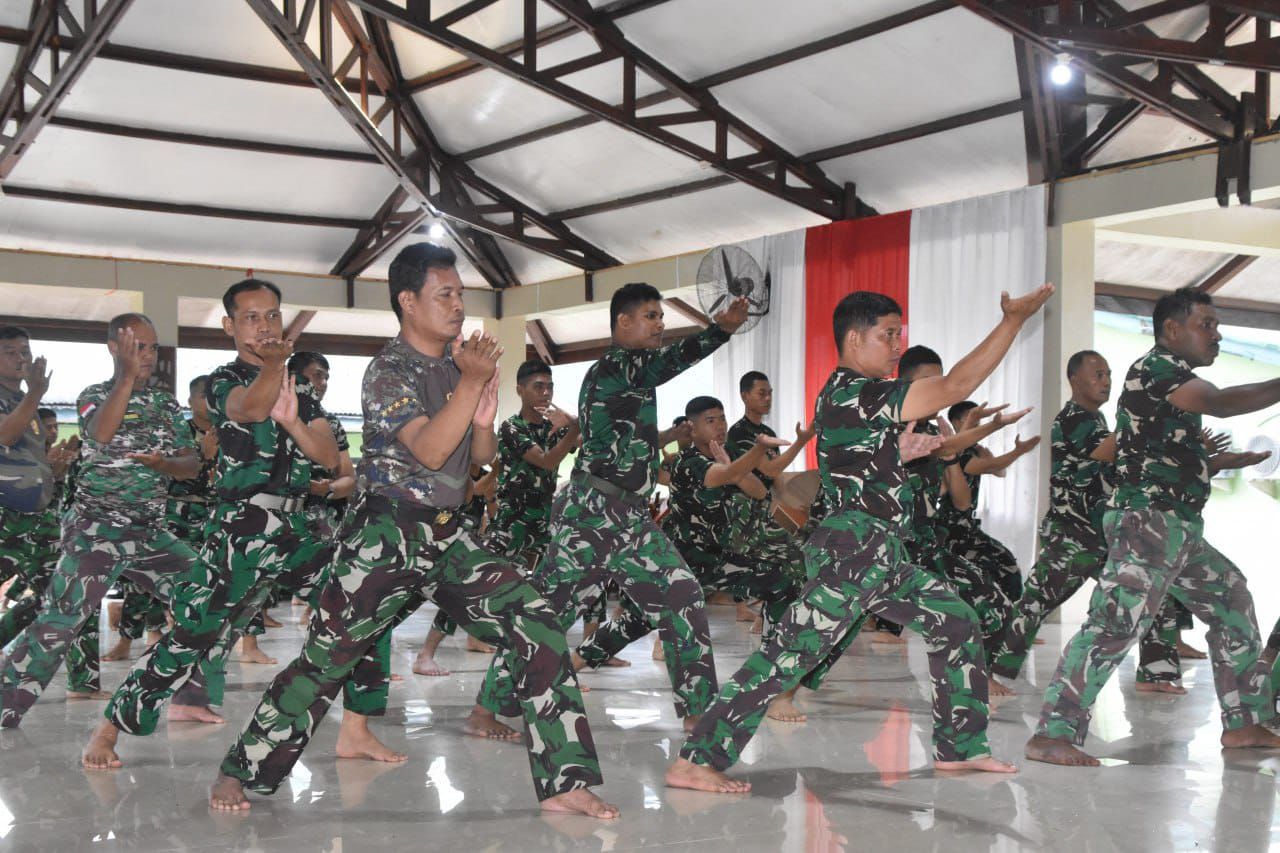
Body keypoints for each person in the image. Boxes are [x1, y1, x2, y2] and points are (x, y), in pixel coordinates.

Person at [209, 243, 617, 819]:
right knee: (326, 661)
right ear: (408, 301)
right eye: (444, 294)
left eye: (460, 294)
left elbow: (478, 458)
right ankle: (240, 771)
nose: (457, 305)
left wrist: (479, 413)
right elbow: (427, 450)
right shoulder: (388, 371)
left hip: (451, 535)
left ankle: (566, 779)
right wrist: (470, 386)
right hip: (387, 535)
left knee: (538, 623)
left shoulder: (457, 367)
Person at [666, 283, 1053, 793]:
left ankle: (960, 748)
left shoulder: (861, 401)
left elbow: (863, 462)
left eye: (899, 335)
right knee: (787, 656)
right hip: (852, 552)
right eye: (887, 335)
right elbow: (955, 385)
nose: (897, 345)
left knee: (956, 623)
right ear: (854, 339)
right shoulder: (855, 391)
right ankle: (695, 759)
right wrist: (1013, 321)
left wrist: (905, 454)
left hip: (882, 552)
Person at [81, 280, 352, 766]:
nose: (264, 326)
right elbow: (248, 409)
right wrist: (273, 367)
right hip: (242, 527)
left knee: (357, 602)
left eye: (271, 316)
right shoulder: (223, 379)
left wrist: (293, 418)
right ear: (230, 326)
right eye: (251, 318)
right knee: (194, 632)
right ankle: (109, 728)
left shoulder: (300, 385)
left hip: (297, 526)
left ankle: (357, 729)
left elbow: (329, 455)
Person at [466, 284, 750, 740]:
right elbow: (671, 361)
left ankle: (697, 713)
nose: (660, 324)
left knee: (682, 595)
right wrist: (721, 330)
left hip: (629, 516)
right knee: (549, 615)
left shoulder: (631, 378)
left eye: (661, 316)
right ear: (623, 322)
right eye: (651, 316)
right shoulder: (620, 366)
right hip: (592, 514)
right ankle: (487, 709)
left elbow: (630, 444)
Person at [1026, 287, 1280, 766]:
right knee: (1115, 622)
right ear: (1171, 329)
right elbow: (1222, 402)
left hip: (1178, 527)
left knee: (1232, 598)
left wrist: (1222, 461)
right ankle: (1052, 734)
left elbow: (1169, 455)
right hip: (1147, 522)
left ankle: (1244, 723)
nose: (1217, 334)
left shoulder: (1173, 384)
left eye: (1217, 325)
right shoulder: (1155, 369)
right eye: (1206, 324)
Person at [0, 314, 201, 725]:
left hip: (149, 532)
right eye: (137, 347)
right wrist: (126, 378)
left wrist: (166, 464)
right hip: (97, 529)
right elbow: (100, 434)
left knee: (206, 597)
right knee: (60, 622)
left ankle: (189, 697)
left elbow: (193, 464)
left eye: (152, 347)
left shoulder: (164, 403)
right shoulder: (94, 393)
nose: (147, 355)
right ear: (115, 348)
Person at [573, 395, 798, 684]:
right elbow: (724, 475)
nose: (720, 426)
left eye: (722, 418)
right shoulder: (687, 463)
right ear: (692, 428)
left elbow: (758, 492)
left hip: (714, 560)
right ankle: (570, 665)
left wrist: (735, 468)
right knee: (635, 623)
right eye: (710, 421)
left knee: (781, 583)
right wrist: (752, 454)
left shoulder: (723, 457)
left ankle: (772, 668)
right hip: (680, 564)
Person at [413, 359, 581, 677]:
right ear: (520, 390)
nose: (545, 393)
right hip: (512, 523)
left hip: (543, 523)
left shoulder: (551, 428)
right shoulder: (512, 428)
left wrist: (571, 429)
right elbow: (546, 462)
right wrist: (572, 429)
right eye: (538, 386)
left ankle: (549, 666)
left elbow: (580, 447)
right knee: (471, 589)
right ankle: (426, 654)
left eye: (550, 386)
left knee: (557, 590)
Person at [938, 399, 1039, 605]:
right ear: (956, 423)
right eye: (972, 421)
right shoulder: (957, 453)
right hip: (950, 527)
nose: (977, 427)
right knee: (999, 563)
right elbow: (991, 466)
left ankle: (1009, 619)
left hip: (966, 525)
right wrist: (1017, 452)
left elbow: (999, 471)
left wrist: (993, 456)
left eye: (979, 422)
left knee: (1001, 564)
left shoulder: (973, 450)